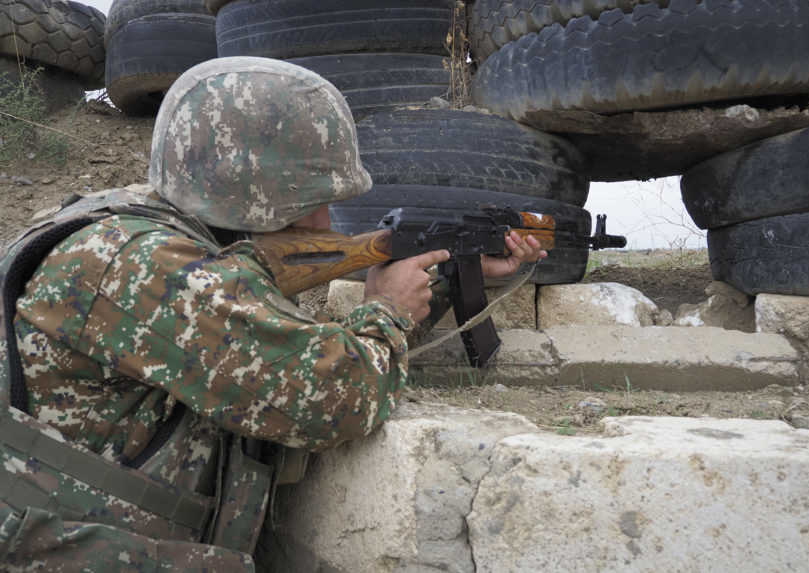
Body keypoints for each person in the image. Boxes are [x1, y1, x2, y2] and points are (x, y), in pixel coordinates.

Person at [0, 57, 545, 571]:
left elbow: (262, 334)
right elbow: (334, 397)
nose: (327, 218)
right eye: (314, 198)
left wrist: (453, 271)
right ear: (258, 189)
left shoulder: (129, 224)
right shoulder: (148, 266)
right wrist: (386, 310)